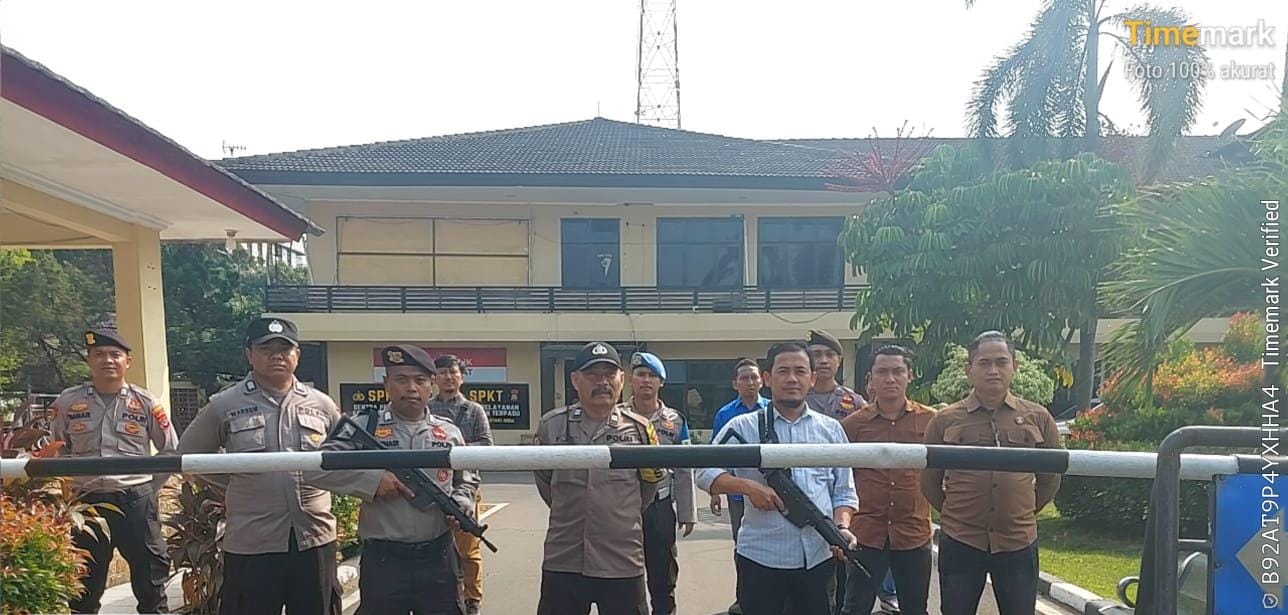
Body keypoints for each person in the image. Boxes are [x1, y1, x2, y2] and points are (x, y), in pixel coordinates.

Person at [178, 317, 343, 615]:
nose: (276, 355)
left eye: (285, 349)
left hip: (314, 537)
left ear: (297, 355)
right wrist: (237, 483)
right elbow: (190, 455)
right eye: (266, 349)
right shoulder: (224, 404)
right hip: (252, 541)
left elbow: (345, 458)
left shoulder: (322, 404)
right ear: (249, 355)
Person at [307, 345, 478, 615]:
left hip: (439, 559)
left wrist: (462, 501)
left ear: (431, 385)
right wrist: (371, 481)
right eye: (401, 379)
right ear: (386, 383)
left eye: (420, 380)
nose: (411, 388)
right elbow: (316, 469)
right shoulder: (365, 426)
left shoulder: (449, 432)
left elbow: (466, 478)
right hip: (385, 562)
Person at [698, 341, 859, 615]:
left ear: (812, 378)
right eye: (783, 371)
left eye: (800, 371)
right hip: (761, 558)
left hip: (818, 558)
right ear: (768, 378)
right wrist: (748, 487)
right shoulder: (742, 427)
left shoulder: (831, 430)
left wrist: (841, 527)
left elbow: (844, 491)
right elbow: (704, 472)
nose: (792, 378)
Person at [922, 331, 1064, 615]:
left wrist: (1021, 512)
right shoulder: (945, 420)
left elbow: (1050, 480)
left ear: (1015, 366)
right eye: (984, 363)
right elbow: (930, 483)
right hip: (962, 539)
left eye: (1001, 362)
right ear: (969, 369)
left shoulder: (1038, 417)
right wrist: (957, 514)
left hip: (1018, 540)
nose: (993, 370)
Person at [50, 329, 178, 614]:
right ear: (89, 360)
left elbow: (170, 450)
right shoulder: (67, 402)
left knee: (151, 583)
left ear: (127, 362)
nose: (107, 360)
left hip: (135, 502)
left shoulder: (146, 402)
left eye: (114, 355)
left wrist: (148, 488)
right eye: (99, 354)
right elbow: (57, 449)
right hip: (88, 506)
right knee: (83, 587)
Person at [534, 341, 663, 615]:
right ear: (575, 380)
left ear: (621, 380)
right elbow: (545, 482)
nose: (602, 382)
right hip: (564, 558)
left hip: (621, 559)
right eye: (593, 375)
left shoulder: (641, 430)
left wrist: (616, 514)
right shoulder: (551, 426)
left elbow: (649, 488)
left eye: (609, 374)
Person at [839, 345, 935, 615]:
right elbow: (840, 478)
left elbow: (945, 473)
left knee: (915, 608)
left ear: (910, 375)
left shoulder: (932, 421)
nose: (890, 378)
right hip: (866, 534)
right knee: (855, 607)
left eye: (898, 371)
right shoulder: (853, 425)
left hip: (914, 532)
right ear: (870, 378)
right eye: (882, 372)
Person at [627, 352, 697, 615]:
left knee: (663, 578)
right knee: (624, 577)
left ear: (661, 382)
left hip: (660, 506)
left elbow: (684, 468)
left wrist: (688, 513)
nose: (646, 380)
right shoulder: (616, 416)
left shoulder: (675, 420)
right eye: (640, 374)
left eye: (652, 376)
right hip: (624, 507)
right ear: (630, 379)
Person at [429, 354, 494, 615]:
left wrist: (455, 448)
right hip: (433, 486)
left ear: (462, 377)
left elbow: (487, 445)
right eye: (443, 372)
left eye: (453, 372)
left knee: (468, 549)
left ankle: (472, 599)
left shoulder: (473, 410)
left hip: (466, 486)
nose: (448, 377)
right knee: (434, 545)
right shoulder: (427, 408)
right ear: (434, 379)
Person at [708, 357, 769, 615]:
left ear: (762, 381)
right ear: (735, 384)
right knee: (743, 545)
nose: (750, 382)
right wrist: (715, 493)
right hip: (736, 494)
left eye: (754, 377)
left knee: (771, 543)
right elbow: (713, 458)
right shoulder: (725, 414)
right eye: (744, 378)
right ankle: (744, 597)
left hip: (770, 492)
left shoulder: (772, 410)